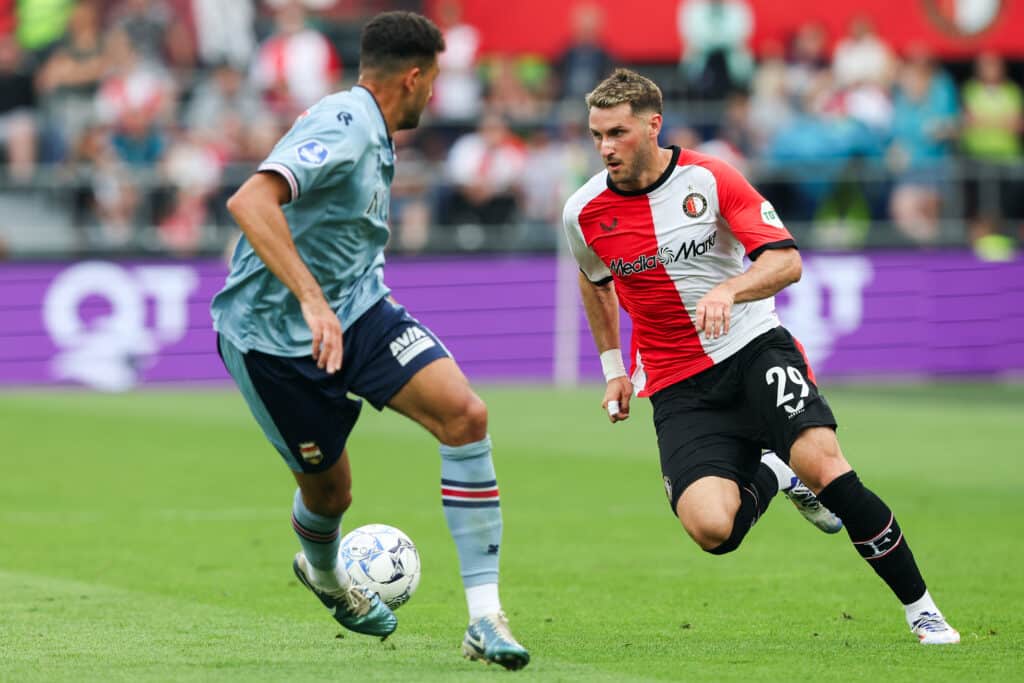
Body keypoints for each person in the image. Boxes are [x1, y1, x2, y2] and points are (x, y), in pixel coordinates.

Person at [562, 68, 959, 645]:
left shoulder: (712, 177)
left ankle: (923, 610)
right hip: (677, 382)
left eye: (617, 133)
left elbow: (786, 261)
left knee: (827, 467)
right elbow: (593, 280)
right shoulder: (584, 210)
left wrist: (731, 289)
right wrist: (613, 368)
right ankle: (775, 472)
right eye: (596, 134)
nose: (605, 148)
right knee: (712, 529)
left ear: (653, 125)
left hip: (752, 349)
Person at [210, 12, 529, 669]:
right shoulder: (347, 124)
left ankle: (485, 618)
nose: (436, 94)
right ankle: (326, 576)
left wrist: (331, 302)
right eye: (433, 81)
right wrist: (309, 298)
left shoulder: (373, 130)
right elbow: (250, 201)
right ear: (411, 78)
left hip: (357, 311)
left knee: (465, 415)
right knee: (331, 495)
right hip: (272, 339)